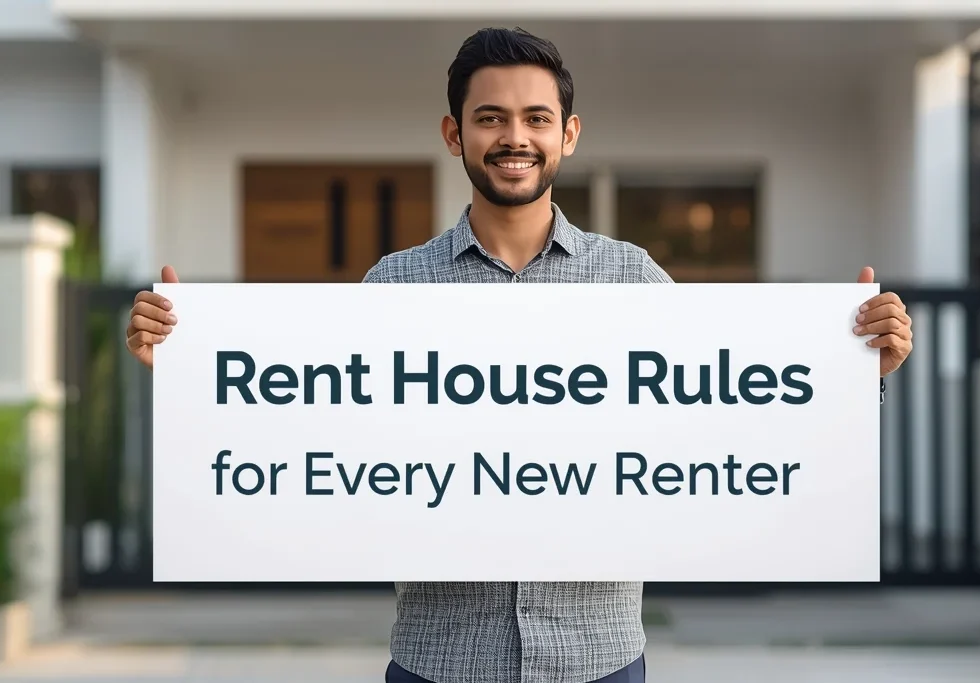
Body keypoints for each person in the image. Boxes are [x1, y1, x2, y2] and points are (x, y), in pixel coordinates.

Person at [124, 26, 914, 683]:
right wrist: (191, 379)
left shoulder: (634, 276)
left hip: (599, 657)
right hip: (439, 659)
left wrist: (854, 381)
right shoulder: (391, 286)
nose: (515, 138)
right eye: (492, 118)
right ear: (454, 133)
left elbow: (724, 421)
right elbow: (316, 443)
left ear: (567, 135)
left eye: (536, 118)